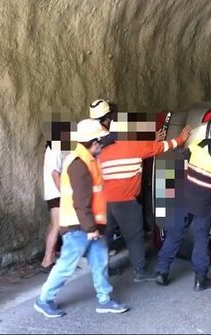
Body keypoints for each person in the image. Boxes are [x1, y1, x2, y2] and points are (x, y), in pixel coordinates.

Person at [89, 99, 192, 282]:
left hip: (104, 200)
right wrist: (181, 139)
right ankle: (140, 271)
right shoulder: (133, 144)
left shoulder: (100, 149)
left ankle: (101, 269)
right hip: (126, 201)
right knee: (134, 236)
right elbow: (161, 147)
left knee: (105, 236)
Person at [34, 118, 128, 318]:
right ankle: (44, 300)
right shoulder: (79, 164)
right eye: (100, 141)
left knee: (100, 261)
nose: (102, 144)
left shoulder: (86, 159)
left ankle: (105, 299)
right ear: (93, 143)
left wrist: (95, 227)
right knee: (66, 266)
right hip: (79, 228)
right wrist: (90, 229)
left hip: (90, 226)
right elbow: (81, 201)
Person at [154, 124, 211, 291]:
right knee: (201, 238)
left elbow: (184, 156)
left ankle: (162, 271)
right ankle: (200, 280)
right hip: (206, 203)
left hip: (185, 196)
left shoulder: (201, 145)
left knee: (175, 232)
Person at [40, 141, 64, 272]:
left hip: (52, 192)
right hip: (57, 193)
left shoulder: (51, 148)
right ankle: (47, 260)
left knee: (53, 225)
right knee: (57, 226)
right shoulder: (56, 149)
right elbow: (55, 173)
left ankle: (50, 255)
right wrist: (64, 193)